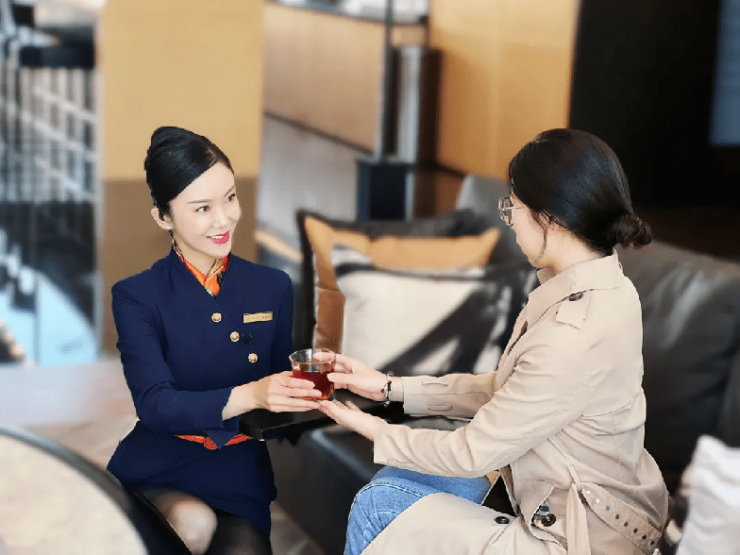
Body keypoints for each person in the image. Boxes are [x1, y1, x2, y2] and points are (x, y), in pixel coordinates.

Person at [318, 128, 669, 555]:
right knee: (399, 482)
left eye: (512, 207)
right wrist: (392, 388)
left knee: (378, 505)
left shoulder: (570, 336)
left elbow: (471, 452)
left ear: (550, 219)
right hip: (585, 501)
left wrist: (374, 429)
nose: (510, 220)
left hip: (576, 537)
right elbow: (513, 392)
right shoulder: (611, 287)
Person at [107, 126, 322, 555]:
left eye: (230, 198)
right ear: (163, 217)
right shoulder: (136, 296)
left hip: (237, 475)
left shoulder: (273, 286)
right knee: (191, 523)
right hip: (161, 466)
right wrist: (252, 394)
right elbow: (155, 405)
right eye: (202, 208)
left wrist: (322, 393)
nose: (223, 219)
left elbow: (278, 392)